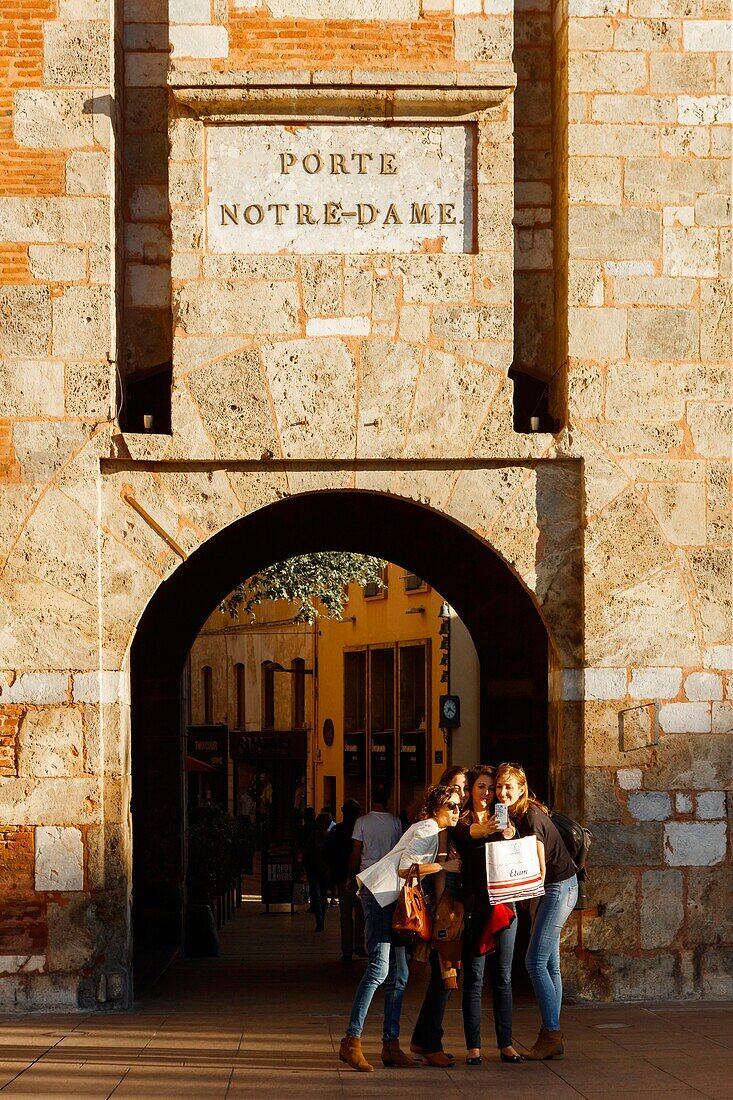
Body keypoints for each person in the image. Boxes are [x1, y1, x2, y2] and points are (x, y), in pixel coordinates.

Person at [339, 784, 462, 1073]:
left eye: (459, 805)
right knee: (379, 970)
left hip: (391, 901)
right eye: (451, 806)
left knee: (399, 976)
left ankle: (391, 1046)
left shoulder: (431, 830)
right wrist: (445, 867)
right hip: (381, 897)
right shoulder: (427, 829)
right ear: (436, 809)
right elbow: (405, 868)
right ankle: (351, 1040)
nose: (457, 811)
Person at [495, 762, 578, 1061]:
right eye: (499, 787)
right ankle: (552, 1033)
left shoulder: (529, 816)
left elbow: (539, 869)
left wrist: (532, 903)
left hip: (557, 888)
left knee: (534, 961)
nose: (502, 792)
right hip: (558, 887)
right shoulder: (518, 813)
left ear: (521, 789)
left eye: (508, 787)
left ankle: (551, 1033)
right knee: (550, 965)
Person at [453, 765, 523, 1065]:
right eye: (480, 787)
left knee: (504, 977)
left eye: (490, 788)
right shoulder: (462, 821)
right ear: (471, 792)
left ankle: (506, 1044)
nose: (486, 793)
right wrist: (491, 828)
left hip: (504, 906)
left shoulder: (507, 819)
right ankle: (474, 1048)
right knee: (475, 978)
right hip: (474, 908)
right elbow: (469, 835)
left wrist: (508, 832)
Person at [409, 762, 469, 1067]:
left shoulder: (459, 820)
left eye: (465, 788)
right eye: (457, 787)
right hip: (446, 910)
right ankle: (430, 1042)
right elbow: (440, 868)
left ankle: (422, 1039)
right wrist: (442, 910)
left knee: (443, 977)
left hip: (453, 907)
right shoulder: (441, 827)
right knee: (446, 978)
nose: (462, 793)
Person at [325, 799, 366, 961]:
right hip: (360, 877)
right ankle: (358, 946)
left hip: (343, 878)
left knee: (346, 915)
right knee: (361, 914)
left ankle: (347, 950)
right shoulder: (362, 829)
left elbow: (327, 853)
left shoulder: (337, 830)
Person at [302, 811, 332, 932]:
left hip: (315, 869)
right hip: (323, 869)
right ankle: (321, 918)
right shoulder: (329, 836)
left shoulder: (313, 836)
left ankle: (319, 919)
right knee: (322, 895)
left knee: (317, 894)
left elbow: (307, 853)